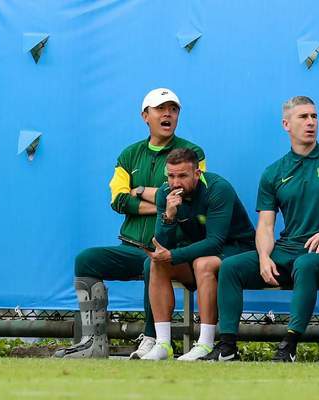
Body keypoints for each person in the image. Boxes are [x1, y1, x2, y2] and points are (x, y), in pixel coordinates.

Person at [202, 96, 319, 362]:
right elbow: (266, 225)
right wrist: (264, 257)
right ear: (286, 124)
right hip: (286, 250)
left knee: (305, 264)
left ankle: (289, 345)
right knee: (230, 267)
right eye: (303, 117)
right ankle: (227, 346)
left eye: (314, 116)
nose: (311, 122)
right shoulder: (273, 172)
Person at [56, 88, 206, 358]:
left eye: (173, 109)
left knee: (154, 263)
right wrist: (163, 203)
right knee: (86, 260)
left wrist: (140, 191)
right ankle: (93, 342)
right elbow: (118, 200)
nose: (168, 114)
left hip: (173, 251)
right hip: (131, 247)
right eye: (161, 109)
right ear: (145, 116)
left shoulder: (192, 153)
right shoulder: (129, 155)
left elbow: (188, 197)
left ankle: (152, 338)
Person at [140, 148, 255, 361]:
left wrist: (173, 255)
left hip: (236, 248)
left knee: (203, 263)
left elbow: (215, 242)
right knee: (155, 263)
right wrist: (169, 216)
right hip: (197, 253)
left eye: (182, 176)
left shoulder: (218, 189)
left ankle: (205, 343)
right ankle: (163, 344)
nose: (176, 183)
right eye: (171, 176)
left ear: (197, 173)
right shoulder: (165, 193)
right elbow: (163, 244)